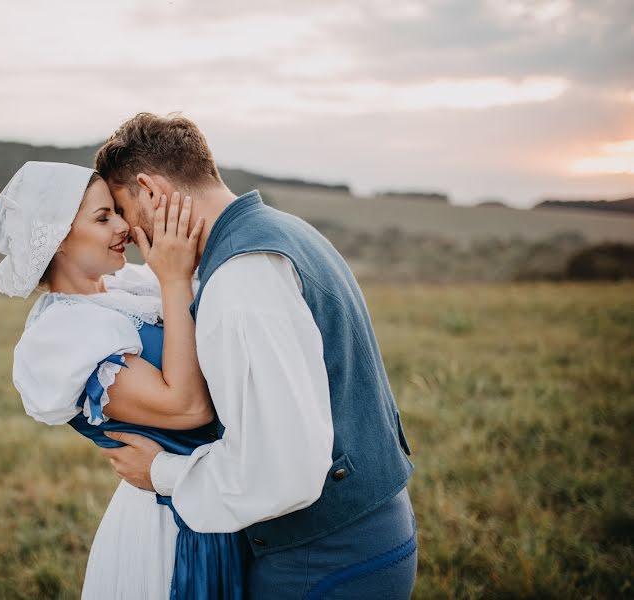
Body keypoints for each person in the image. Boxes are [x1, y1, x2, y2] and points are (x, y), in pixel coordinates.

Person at [94, 113, 418, 599]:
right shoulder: (282, 231)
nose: (128, 234)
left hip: (324, 563)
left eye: (123, 209)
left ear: (150, 190)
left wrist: (160, 472)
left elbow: (282, 468)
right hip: (364, 536)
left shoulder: (241, 283)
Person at [0, 161, 249, 599]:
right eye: (103, 217)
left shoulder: (129, 288)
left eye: (118, 212)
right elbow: (188, 407)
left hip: (220, 496)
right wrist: (174, 279)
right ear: (59, 239)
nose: (124, 226)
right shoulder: (66, 335)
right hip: (171, 527)